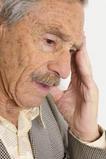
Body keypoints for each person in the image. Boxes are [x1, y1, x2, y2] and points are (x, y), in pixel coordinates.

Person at [0, 0, 106, 158]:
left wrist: (85, 133)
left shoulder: (54, 112)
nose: (64, 71)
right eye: (50, 41)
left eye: (71, 50)